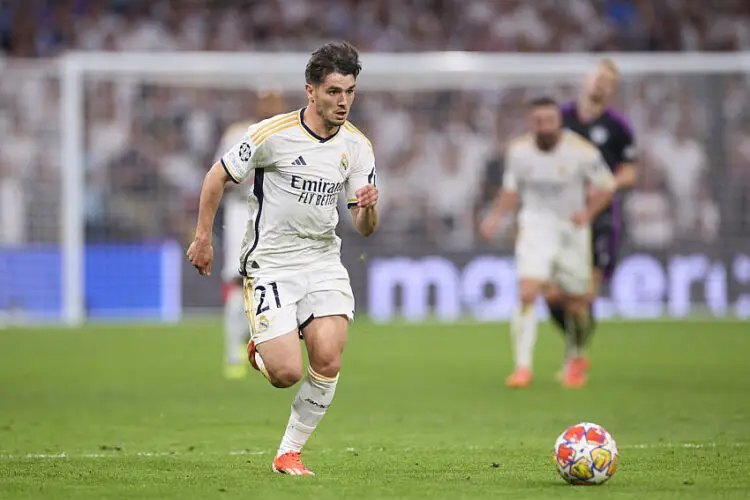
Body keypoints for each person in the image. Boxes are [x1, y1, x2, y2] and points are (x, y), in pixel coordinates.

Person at [187, 41, 379, 476]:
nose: (343, 101)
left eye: (349, 91)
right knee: (286, 373)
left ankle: (288, 452)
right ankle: (260, 350)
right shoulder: (270, 135)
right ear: (310, 91)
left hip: (324, 260)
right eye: (334, 91)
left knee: (328, 358)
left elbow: (365, 227)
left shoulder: (358, 147)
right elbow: (216, 176)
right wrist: (203, 238)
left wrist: (368, 206)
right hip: (272, 264)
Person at [480, 97, 615, 389]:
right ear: (532, 124)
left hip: (572, 229)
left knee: (578, 304)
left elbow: (607, 185)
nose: (545, 127)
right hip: (536, 226)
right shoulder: (519, 152)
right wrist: (495, 218)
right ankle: (522, 368)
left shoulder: (581, 151)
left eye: (550, 121)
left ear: (559, 123)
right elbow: (510, 190)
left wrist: (588, 212)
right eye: (539, 122)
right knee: (527, 293)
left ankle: (576, 356)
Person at [549, 59, 638, 387]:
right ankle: (577, 345)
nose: (601, 84)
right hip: (559, 218)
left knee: (583, 296)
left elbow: (630, 171)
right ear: (586, 80)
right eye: (598, 77)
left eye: (608, 81)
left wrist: (607, 184)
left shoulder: (618, 127)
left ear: (612, 90)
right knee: (552, 295)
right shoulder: (560, 118)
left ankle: (575, 356)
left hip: (599, 219)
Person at [218, 91, 286, 380]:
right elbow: (220, 176)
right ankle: (233, 353)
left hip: (274, 215)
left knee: (273, 281)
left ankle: (263, 345)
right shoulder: (238, 133)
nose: (270, 104)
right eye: (264, 98)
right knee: (238, 278)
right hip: (241, 212)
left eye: (275, 98)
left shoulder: (288, 132)